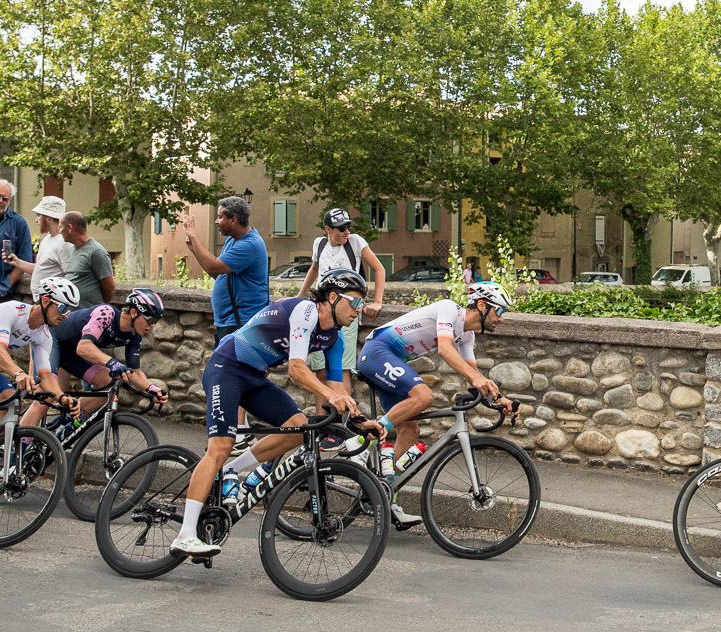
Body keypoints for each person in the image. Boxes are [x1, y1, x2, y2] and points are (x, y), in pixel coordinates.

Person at [169, 269, 379, 557]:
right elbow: (296, 368)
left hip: (254, 377)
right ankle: (185, 534)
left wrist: (360, 422)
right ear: (332, 297)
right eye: (355, 303)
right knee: (220, 447)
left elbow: (336, 390)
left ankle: (232, 470)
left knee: (298, 427)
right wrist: (331, 395)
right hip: (226, 367)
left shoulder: (334, 339)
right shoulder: (306, 310)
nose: (360, 310)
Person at [357, 281, 519, 526]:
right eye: (501, 311)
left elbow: (475, 378)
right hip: (378, 350)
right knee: (423, 396)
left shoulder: (467, 336)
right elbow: (444, 349)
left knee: (410, 430)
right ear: (483, 305)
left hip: (391, 359)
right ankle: (358, 441)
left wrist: (499, 399)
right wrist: (477, 378)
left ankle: (384, 495)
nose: (502, 319)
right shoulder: (449, 309)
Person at [183, 197, 269, 453]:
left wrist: (194, 237)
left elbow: (213, 265)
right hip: (229, 320)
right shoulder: (235, 240)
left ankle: (239, 433)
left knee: (235, 375)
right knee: (236, 373)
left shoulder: (250, 245)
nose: (217, 221)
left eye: (221, 217)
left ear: (234, 219)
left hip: (242, 321)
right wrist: (193, 248)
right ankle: (240, 430)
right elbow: (215, 272)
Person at [25, 289, 169, 430]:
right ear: (133, 313)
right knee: (47, 397)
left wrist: (151, 389)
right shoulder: (106, 313)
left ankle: (65, 425)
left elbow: (135, 373)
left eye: (156, 321)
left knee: (108, 384)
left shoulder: (134, 337)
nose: (152, 325)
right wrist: (112, 363)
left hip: (73, 354)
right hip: (53, 341)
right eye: (151, 319)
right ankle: (16, 449)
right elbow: (84, 347)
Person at [296, 208, 386, 420]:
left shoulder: (355, 242)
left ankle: (341, 423)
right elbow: (314, 270)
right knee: (320, 369)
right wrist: (299, 297)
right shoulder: (319, 244)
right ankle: (321, 423)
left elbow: (379, 268)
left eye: (348, 227)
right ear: (328, 229)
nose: (347, 232)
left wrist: (377, 302)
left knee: (342, 368)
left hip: (347, 310)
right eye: (341, 228)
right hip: (322, 310)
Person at [0, 277, 81, 430]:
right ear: (45, 301)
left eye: (69, 310)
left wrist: (62, 397)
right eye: (63, 308)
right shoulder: (12, 311)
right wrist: (19, 373)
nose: (66, 315)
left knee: (12, 405)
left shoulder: (44, 336)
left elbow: (45, 377)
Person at [2, 195, 73, 298]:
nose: (36, 220)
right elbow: (40, 268)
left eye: (38, 215)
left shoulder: (64, 243)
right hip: (41, 301)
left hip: (53, 302)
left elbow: (70, 276)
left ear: (48, 218)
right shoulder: (46, 239)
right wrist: (16, 262)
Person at [0, 179, 34, 307]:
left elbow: (25, 258)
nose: (0, 201)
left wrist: (7, 284)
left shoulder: (18, 223)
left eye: (5, 199)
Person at [60, 211, 114, 309]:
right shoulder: (73, 249)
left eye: (61, 227)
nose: (59, 231)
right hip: (72, 313)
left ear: (69, 228)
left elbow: (109, 287)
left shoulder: (96, 251)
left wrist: (96, 308)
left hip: (88, 314)